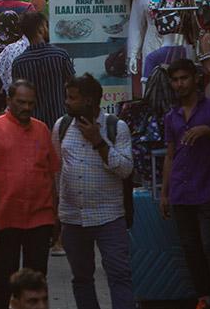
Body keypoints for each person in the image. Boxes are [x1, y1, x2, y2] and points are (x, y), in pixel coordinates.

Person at [0, 80, 60, 309]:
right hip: (5, 217)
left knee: (37, 278)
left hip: (40, 217)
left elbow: (51, 175)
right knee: (4, 276)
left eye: (30, 103)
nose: (26, 107)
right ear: (9, 101)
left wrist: (55, 216)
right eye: (21, 102)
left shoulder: (42, 130)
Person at [53, 74, 136, 309]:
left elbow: (125, 169)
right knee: (81, 278)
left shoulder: (116, 127)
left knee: (119, 275)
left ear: (88, 101)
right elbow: (56, 170)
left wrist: (98, 141)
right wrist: (56, 211)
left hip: (109, 217)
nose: (67, 102)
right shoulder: (62, 126)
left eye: (72, 98)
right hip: (73, 217)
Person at [160, 59, 210, 309]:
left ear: (195, 79)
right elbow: (170, 155)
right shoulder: (171, 116)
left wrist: (208, 132)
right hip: (181, 191)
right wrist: (164, 193)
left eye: (184, 78)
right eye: (175, 80)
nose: (179, 84)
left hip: (207, 188)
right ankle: (203, 297)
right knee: (190, 248)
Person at [10, 11, 75, 128]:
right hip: (61, 123)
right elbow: (73, 86)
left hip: (32, 126)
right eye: (45, 25)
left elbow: (16, 95)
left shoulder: (19, 63)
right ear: (41, 29)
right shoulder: (60, 56)